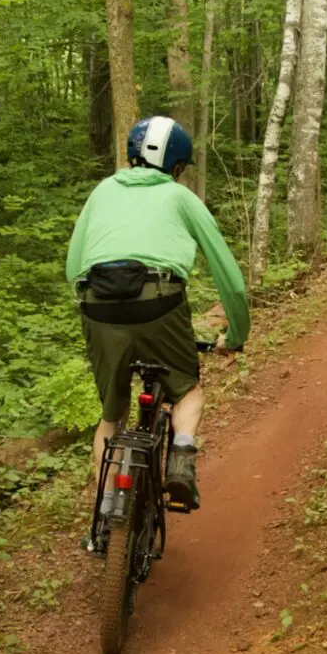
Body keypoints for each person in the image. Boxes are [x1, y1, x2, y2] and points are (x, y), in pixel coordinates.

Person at [65, 115, 250, 511]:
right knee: (187, 390)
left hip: (97, 305)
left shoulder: (102, 191)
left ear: (131, 156)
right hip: (160, 303)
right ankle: (181, 460)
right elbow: (231, 282)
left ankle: (106, 508)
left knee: (111, 416)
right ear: (178, 168)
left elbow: (72, 267)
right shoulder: (182, 198)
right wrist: (235, 336)